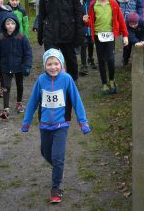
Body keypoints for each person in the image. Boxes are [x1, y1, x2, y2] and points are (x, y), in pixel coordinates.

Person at [21, 49, 91, 204]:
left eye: (56, 63)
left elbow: (76, 100)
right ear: (45, 65)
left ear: (61, 64)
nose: (53, 67)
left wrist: (83, 122)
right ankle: (58, 169)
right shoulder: (40, 80)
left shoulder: (67, 79)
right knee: (46, 152)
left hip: (61, 124)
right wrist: (26, 122)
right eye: (49, 64)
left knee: (58, 157)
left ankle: (56, 188)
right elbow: (33, 102)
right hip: (45, 125)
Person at [38, 0, 85, 84]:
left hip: (68, 31)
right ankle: (53, 84)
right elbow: (41, 13)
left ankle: (72, 83)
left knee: (70, 60)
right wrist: (40, 33)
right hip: (50, 33)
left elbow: (79, 13)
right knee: (51, 60)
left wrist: (79, 34)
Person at [83, 0, 128, 94]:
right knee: (101, 60)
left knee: (111, 59)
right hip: (98, 36)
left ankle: (112, 80)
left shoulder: (113, 4)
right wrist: (85, 21)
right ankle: (104, 83)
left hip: (110, 35)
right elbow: (91, 23)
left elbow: (121, 20)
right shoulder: (93, 5)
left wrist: (125, 35)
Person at [0, 14, 32, 119]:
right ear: (4, 25)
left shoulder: (22, 37)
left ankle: (19, 103)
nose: (10, 26)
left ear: (16, 24)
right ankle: (6, 109)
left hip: (19, 66)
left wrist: (27, 66)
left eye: (12, 23)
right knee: (6, 87)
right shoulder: (1, 39)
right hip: (5, 66)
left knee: (20, 84)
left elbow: (28, 52)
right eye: (8, 23)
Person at [79, 0, 96, 75]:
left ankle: (90, 58)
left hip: (91, 27)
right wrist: (81, 18)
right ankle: (83, 64)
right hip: (82, 28)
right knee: (83, 45)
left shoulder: (92, 0)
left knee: (91, 43)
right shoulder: (77, 0)